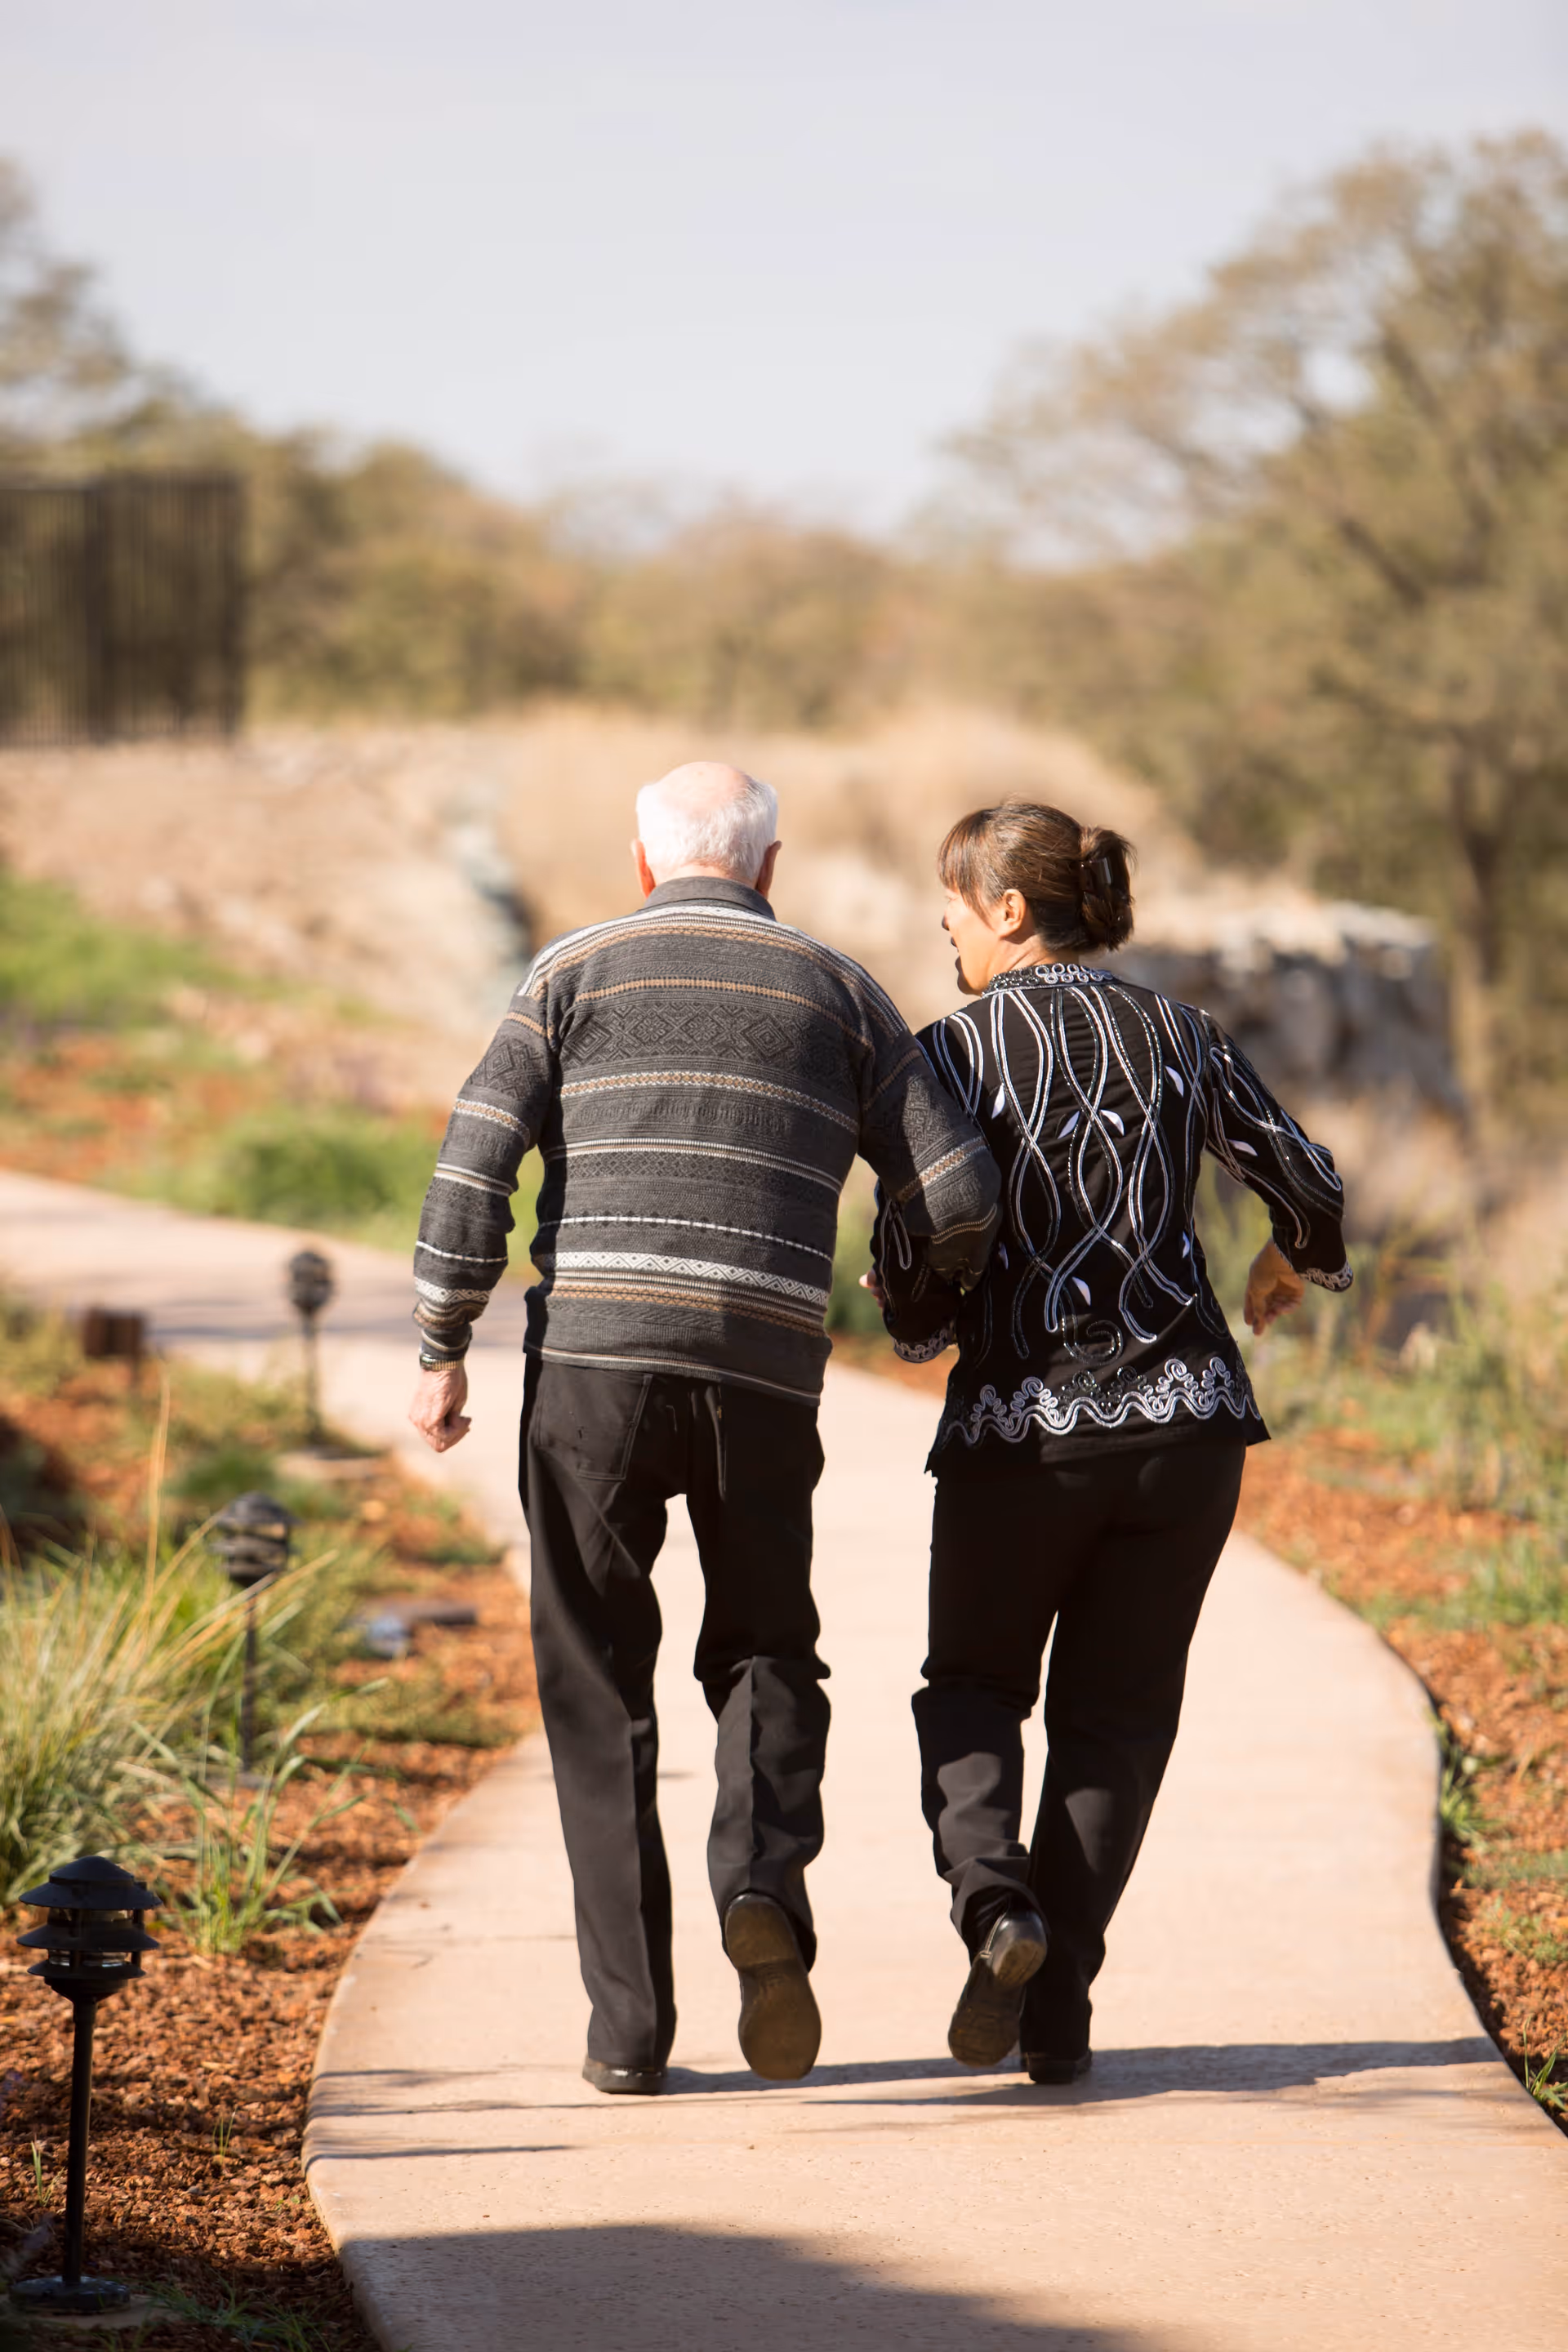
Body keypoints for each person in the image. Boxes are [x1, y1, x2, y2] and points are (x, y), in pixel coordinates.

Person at [407, 761, 1000, 2096]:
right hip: (765, 1374)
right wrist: (916, 1301)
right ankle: (765, 1888)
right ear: (770, 868)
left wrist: (443, 1347)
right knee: (766, 1646)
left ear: (640, 863)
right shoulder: (842, 991)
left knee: (596, 1678)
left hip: (593, 1371)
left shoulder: (569, 973)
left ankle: (627, 2033)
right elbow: (958, 1191)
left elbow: (474, 1159)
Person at [872, 800, 1351, 2082]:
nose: (947, 932)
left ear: (1010, 912)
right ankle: (1057, 2014)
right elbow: (1308, 1183)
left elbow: (910, 1266)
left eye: (956, 910)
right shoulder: (1180, 1031)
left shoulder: (947, 1054)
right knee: (1118, 1723)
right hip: (1191, 1427)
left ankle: (995, 1904)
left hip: (1022, 1434)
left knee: (973, 1685)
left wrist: (922, 1318)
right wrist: (1288, 1267)